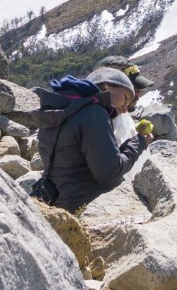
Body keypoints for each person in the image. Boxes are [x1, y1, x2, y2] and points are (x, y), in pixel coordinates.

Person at [38, 66, 149, 212]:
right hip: (85, 205)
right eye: (126, 99)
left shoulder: (64, 109)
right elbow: (109, 173)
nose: (124, 109)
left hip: (57, 199)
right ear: (108, 86)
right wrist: (139, 142)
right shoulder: (95, 114)